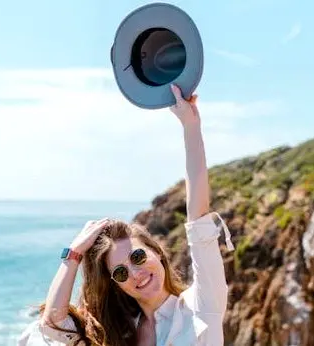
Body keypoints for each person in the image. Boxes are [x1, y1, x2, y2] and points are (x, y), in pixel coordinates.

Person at [18, 84, 234, 346]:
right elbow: (52, 328)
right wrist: (73, 255)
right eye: (120, 273)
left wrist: (190, 125)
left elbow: (198, 219)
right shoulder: (117, 332)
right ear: (117, 285)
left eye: (138, 256)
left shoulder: (201, 306)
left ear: (157, 252)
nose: (134, 273)